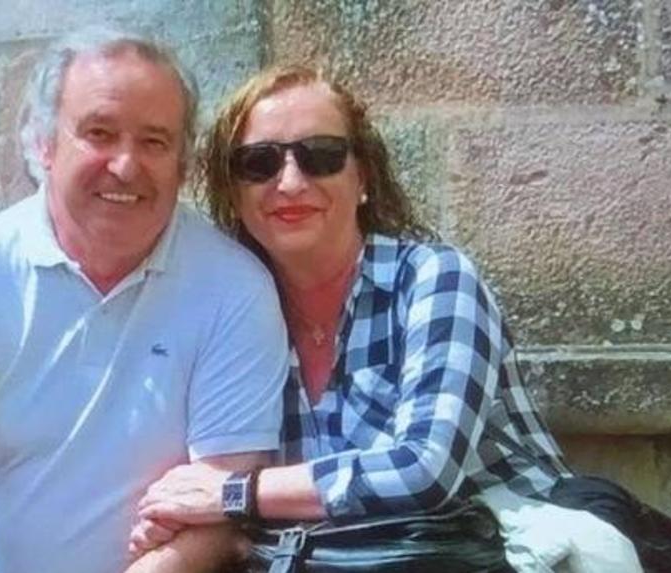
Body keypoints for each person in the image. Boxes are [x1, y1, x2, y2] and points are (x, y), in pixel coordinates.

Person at [132, 64, 643, 571]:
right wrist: (176, 514)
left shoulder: (433, 279)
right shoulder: (230, 311)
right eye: (259, 163)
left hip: (496, 552)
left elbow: (424, 468)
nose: (289, 182)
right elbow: (198, 481)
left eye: (321, 156)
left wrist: (236, 494)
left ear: (364, 178)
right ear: (233, 191)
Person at [0, 28, 289, 573]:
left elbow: (221, 505)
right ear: (44, 144)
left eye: (154, 142)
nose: (125, 165)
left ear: (183, 164)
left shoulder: (233, 288)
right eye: (100, 133)